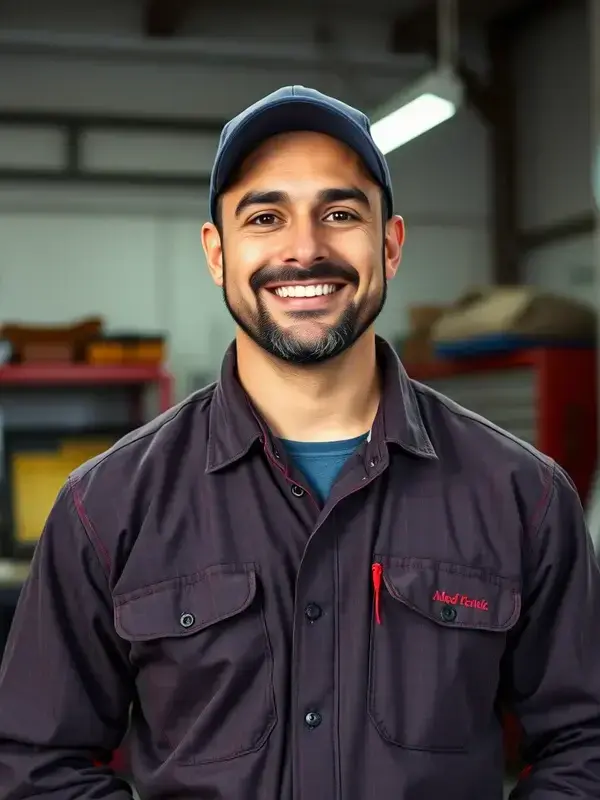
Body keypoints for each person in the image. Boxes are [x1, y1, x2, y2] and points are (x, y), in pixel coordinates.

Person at [0, 86, 599, 800]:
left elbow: (583, 744)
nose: (305, 248)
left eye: (340, 213)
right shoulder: (106, 508)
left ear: (391, 244)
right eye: (265, 216)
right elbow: (37, 764)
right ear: (217, 253)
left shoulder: (522, 497)